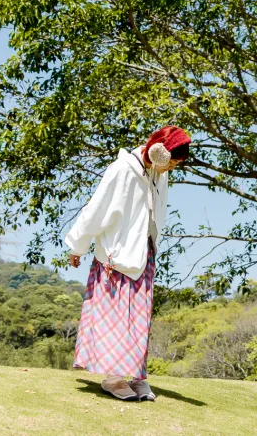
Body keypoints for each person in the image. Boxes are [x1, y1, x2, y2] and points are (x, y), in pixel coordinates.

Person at [65, 125, 191, 401]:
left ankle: (136, 376)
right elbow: (96, 209)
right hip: (117, 256)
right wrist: (78, 245)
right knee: (115, 318)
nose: (172, 168)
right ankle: (113, 378)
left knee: (139, 320)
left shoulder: (158, 174)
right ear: (158, 153)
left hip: (143, 254)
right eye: (172, 162)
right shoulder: (122, 169)